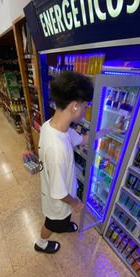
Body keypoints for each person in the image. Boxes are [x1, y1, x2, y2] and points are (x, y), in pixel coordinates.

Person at [35, 71, 94, 254]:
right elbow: (59, 193)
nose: (86, 110)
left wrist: (109, 130)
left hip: (60, 196)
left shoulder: (52, 126)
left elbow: (81, 139)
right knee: (51, 224)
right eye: (86, 106)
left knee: (63, 221)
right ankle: (41, 243)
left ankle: (65, 225)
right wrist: (75, 203)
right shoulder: (57, 147)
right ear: (75, 106)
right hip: (58, 203)